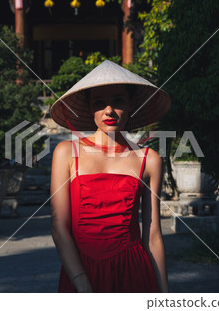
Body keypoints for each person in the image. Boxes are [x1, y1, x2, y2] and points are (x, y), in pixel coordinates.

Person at [49, 60, 171, 293]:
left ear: (131, 105)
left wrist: (164, 296)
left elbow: (153, 235)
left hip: (134, 274)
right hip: (81, 273)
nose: (109, 111)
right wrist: (82, 283)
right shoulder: (66, 152)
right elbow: (58, 226)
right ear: (89, 109)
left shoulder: (149, 159)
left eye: (118, 101)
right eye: (99, 102)